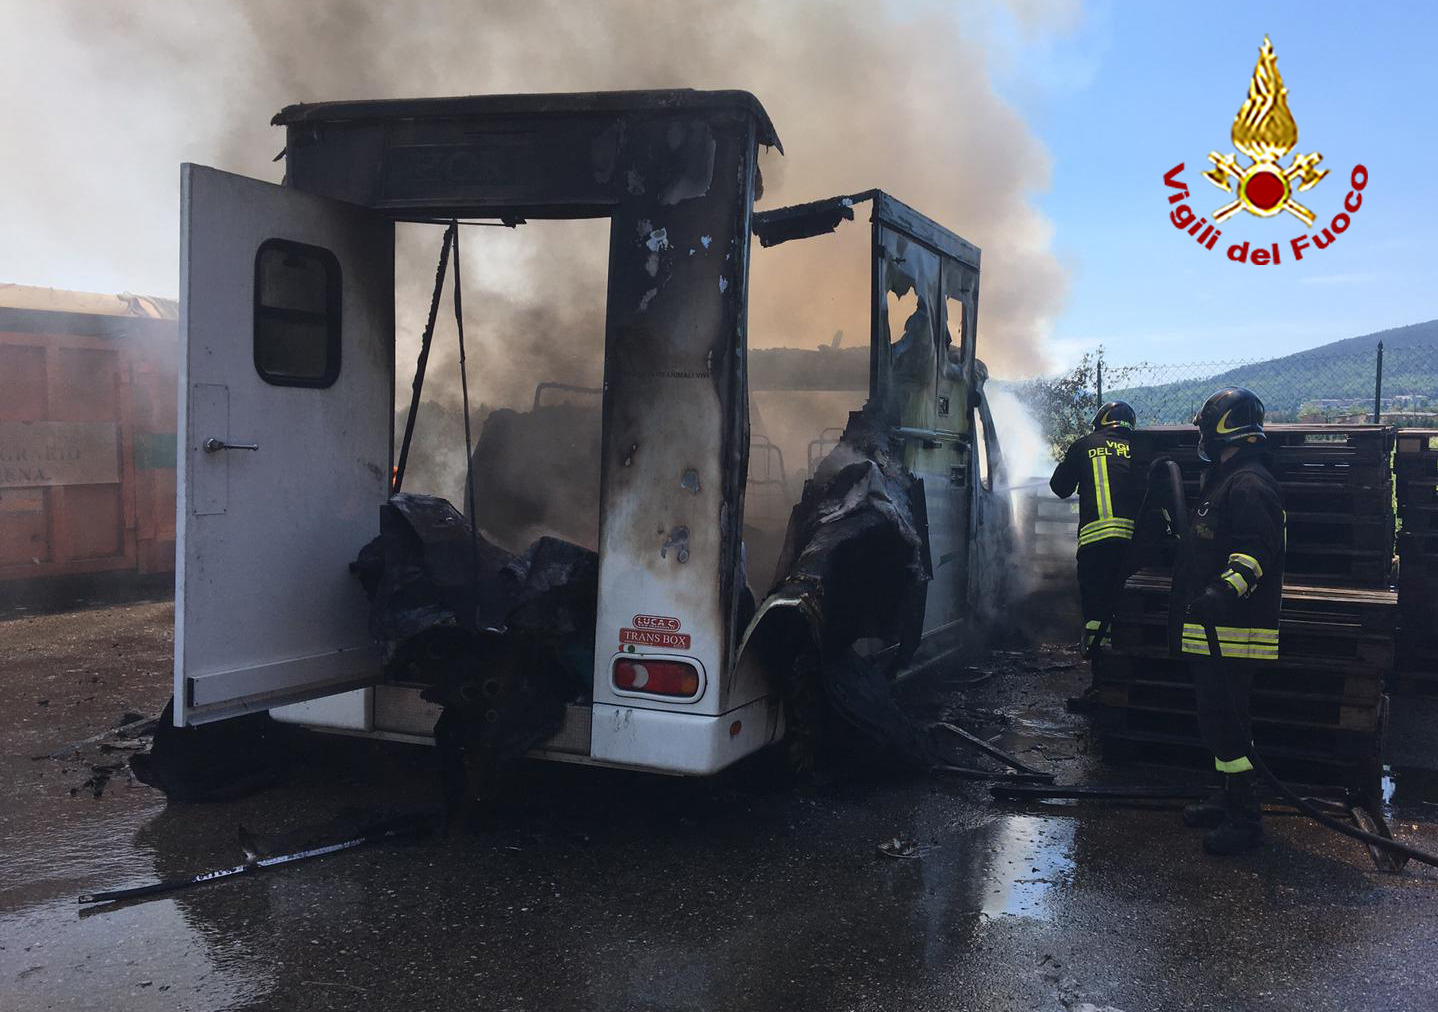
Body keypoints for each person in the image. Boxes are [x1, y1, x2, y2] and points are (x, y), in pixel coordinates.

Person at [1173, 388, 1285, 855]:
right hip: (1215, 631)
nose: (1201, 436)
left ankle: (1245, 819)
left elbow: (1256, 553)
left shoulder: (1250, 485)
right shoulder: (1225, 480)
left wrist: (1222, 592)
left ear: (1224, 430)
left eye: (1205, 427)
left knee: (1229, 725)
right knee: (1216, 722)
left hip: (1236, 631)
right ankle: (1227, 798)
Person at [1049, 401, 1141, 702]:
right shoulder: (1141, 447)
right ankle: (1132, 683)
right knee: (1130, 611)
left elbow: (1060, 487)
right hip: (1137, 548)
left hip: (1097, 544)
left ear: (1101, 422)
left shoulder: (1085, 445)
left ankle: (1102, 683)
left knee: (1098, 615)